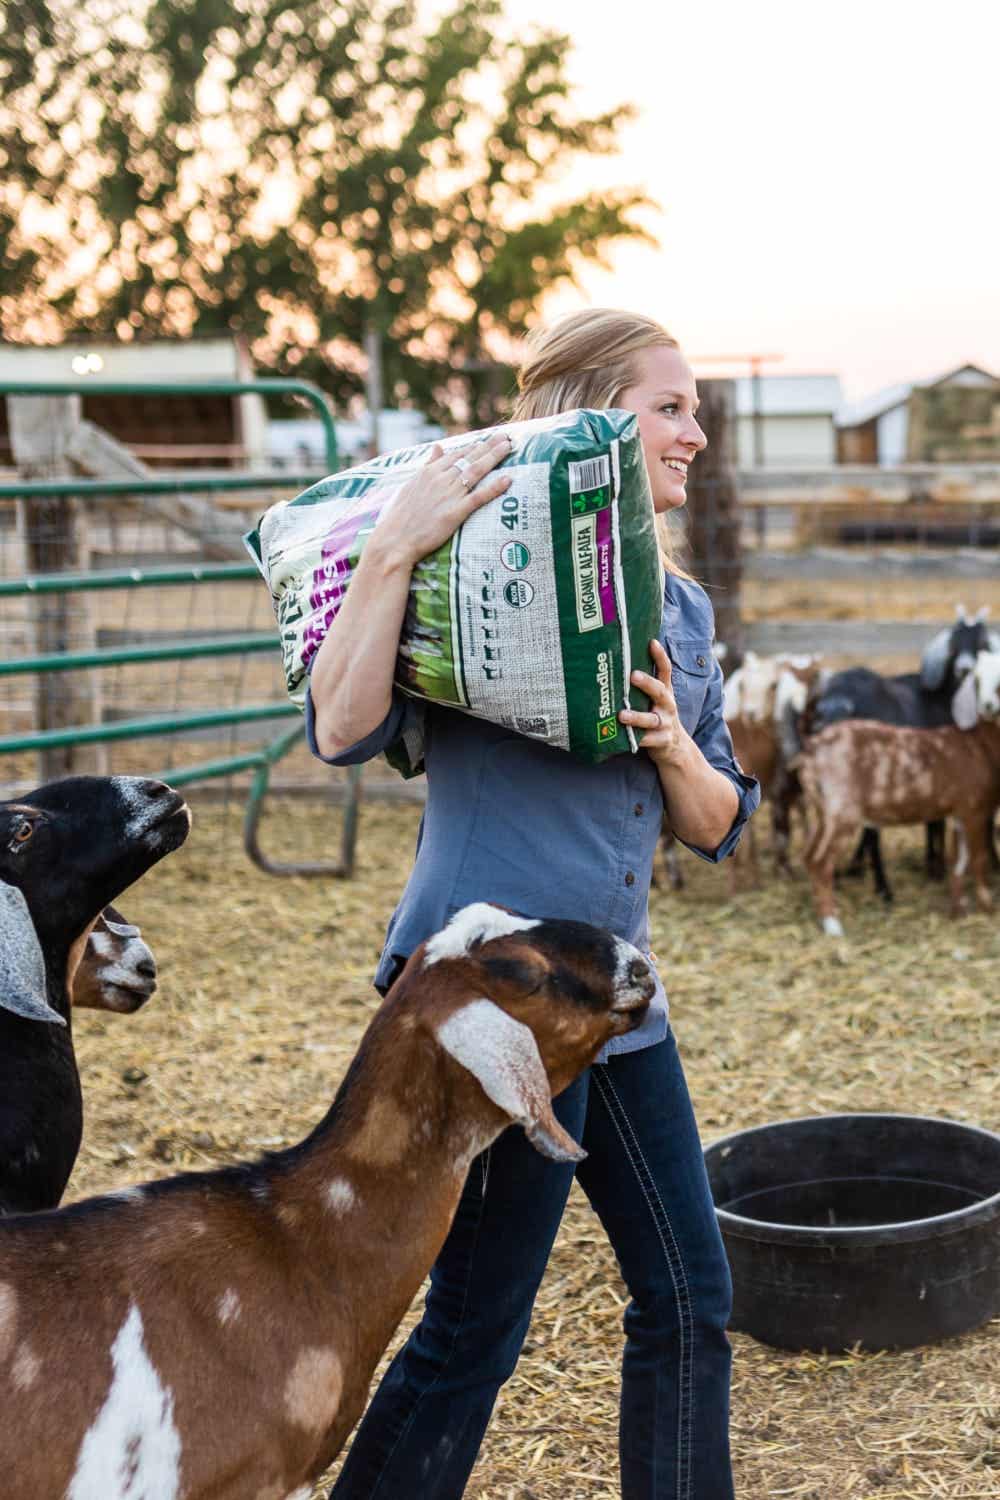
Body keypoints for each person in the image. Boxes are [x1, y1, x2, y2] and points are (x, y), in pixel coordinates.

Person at [307, 308, 760, 1500]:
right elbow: (341, 729)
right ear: (591, 422)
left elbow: (714, 824)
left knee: (687, 1296)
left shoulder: (683, 612)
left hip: (613, 1013)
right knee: (474, 1332)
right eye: (669, 407)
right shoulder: (477, 571)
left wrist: (672, 746)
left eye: (695, 409)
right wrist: (395, 552)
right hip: (488, 1006)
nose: (694, 434)